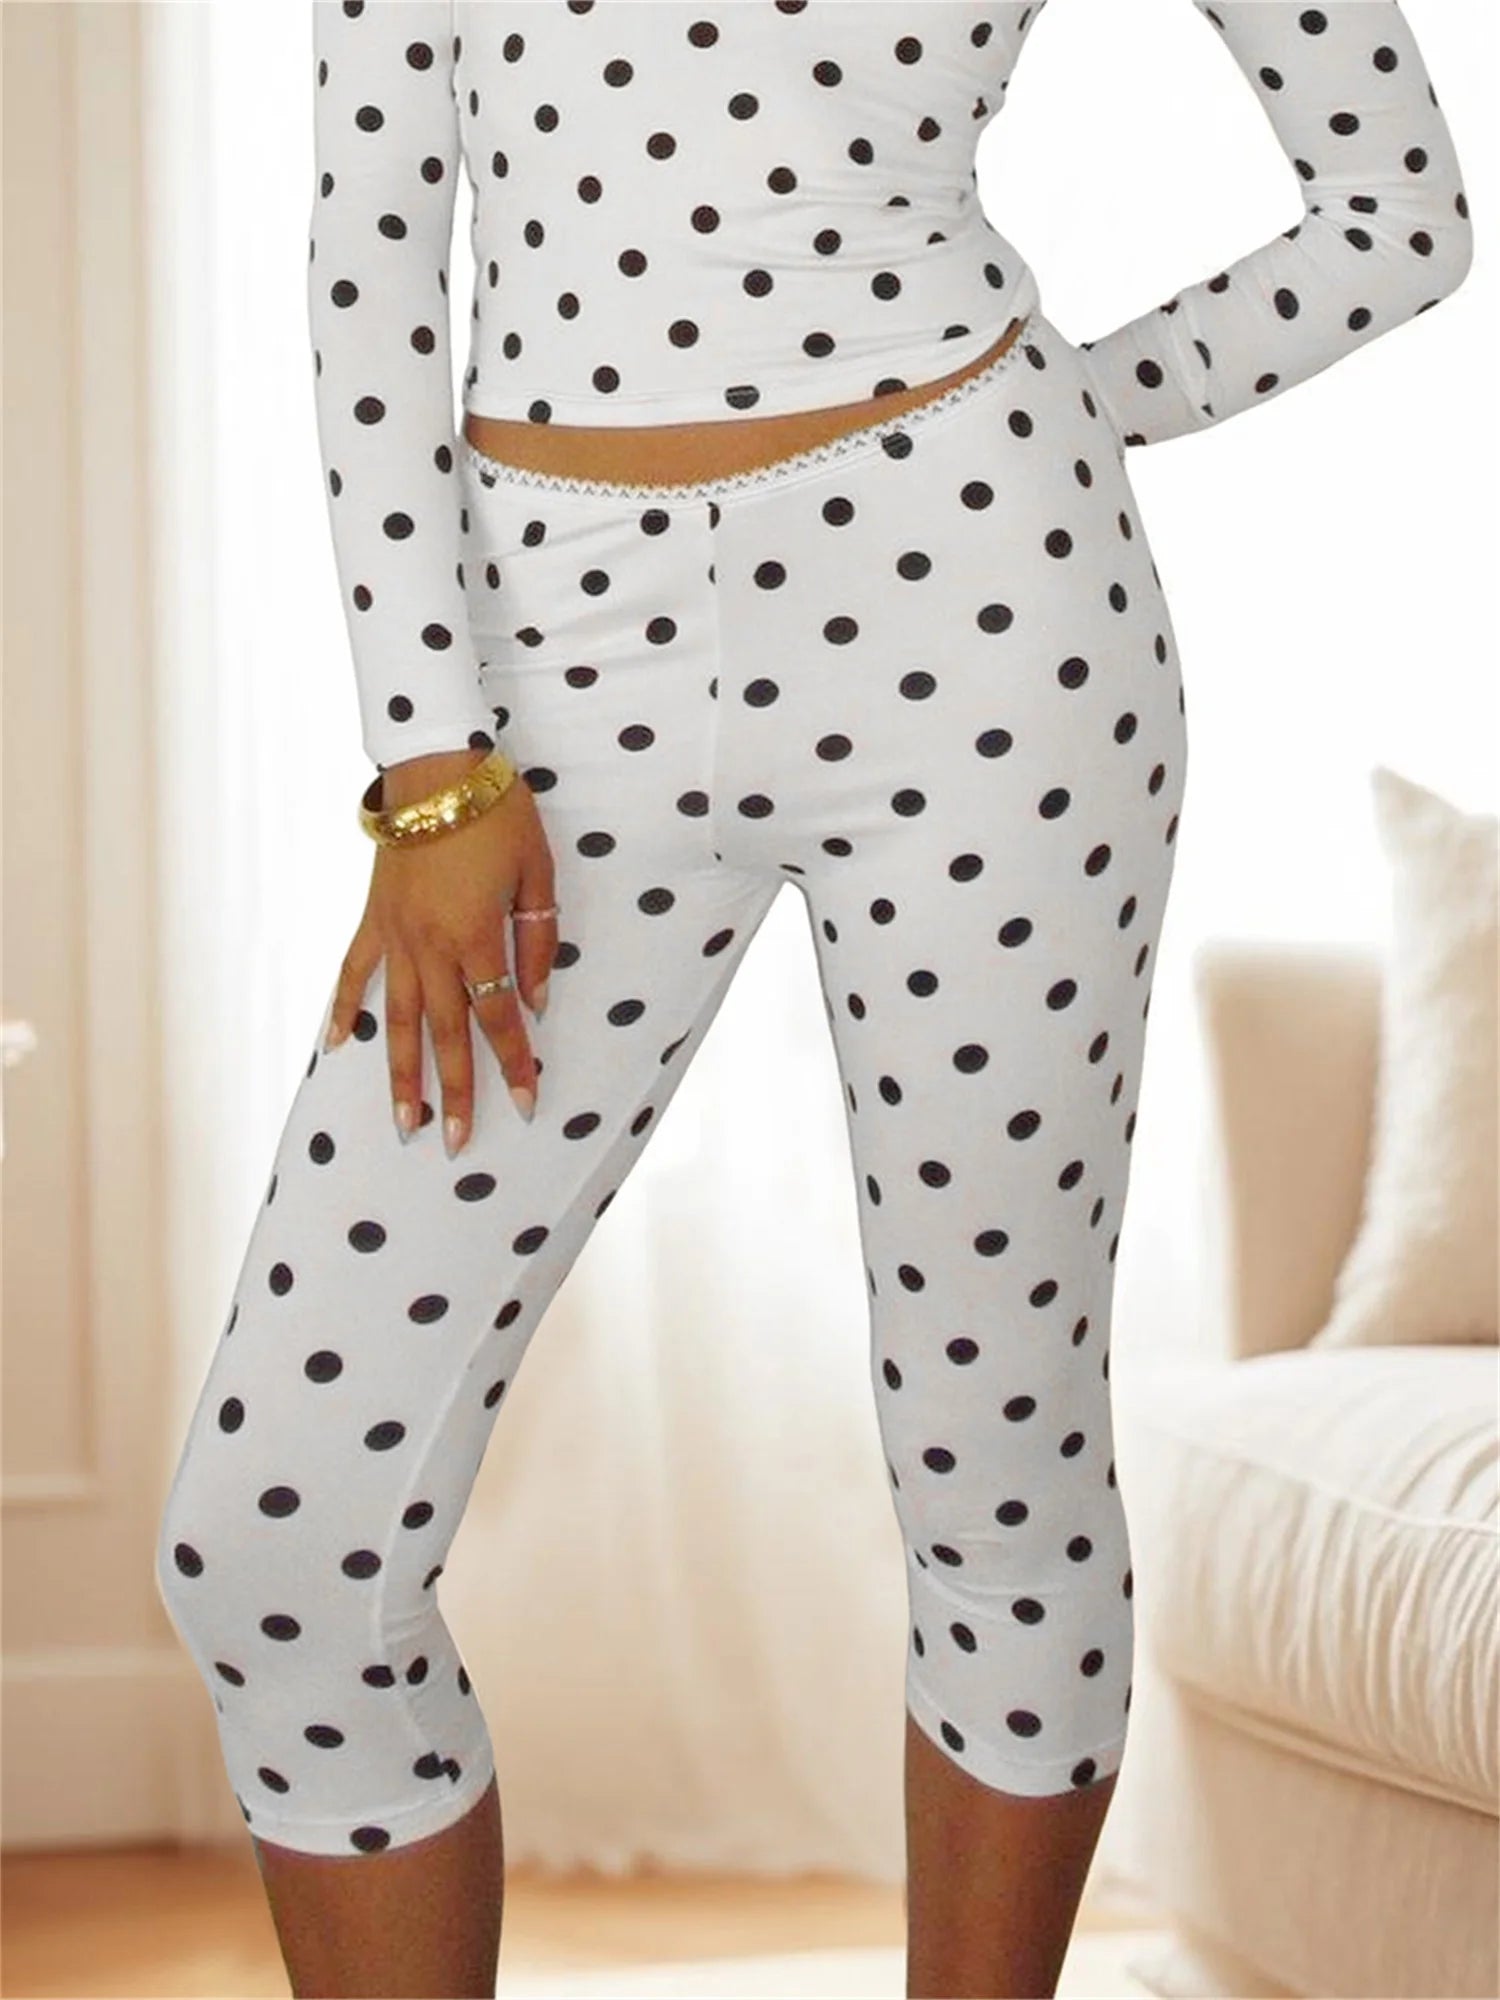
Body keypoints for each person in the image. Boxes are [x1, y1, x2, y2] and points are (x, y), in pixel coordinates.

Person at [156, 4, 1472, 1994]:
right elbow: (370, 277)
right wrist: (430, 762)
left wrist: (1054, 408)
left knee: (993, 1459)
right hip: (541, 686)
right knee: (277, 1527)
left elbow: (1398, 211)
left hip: (987, 615)